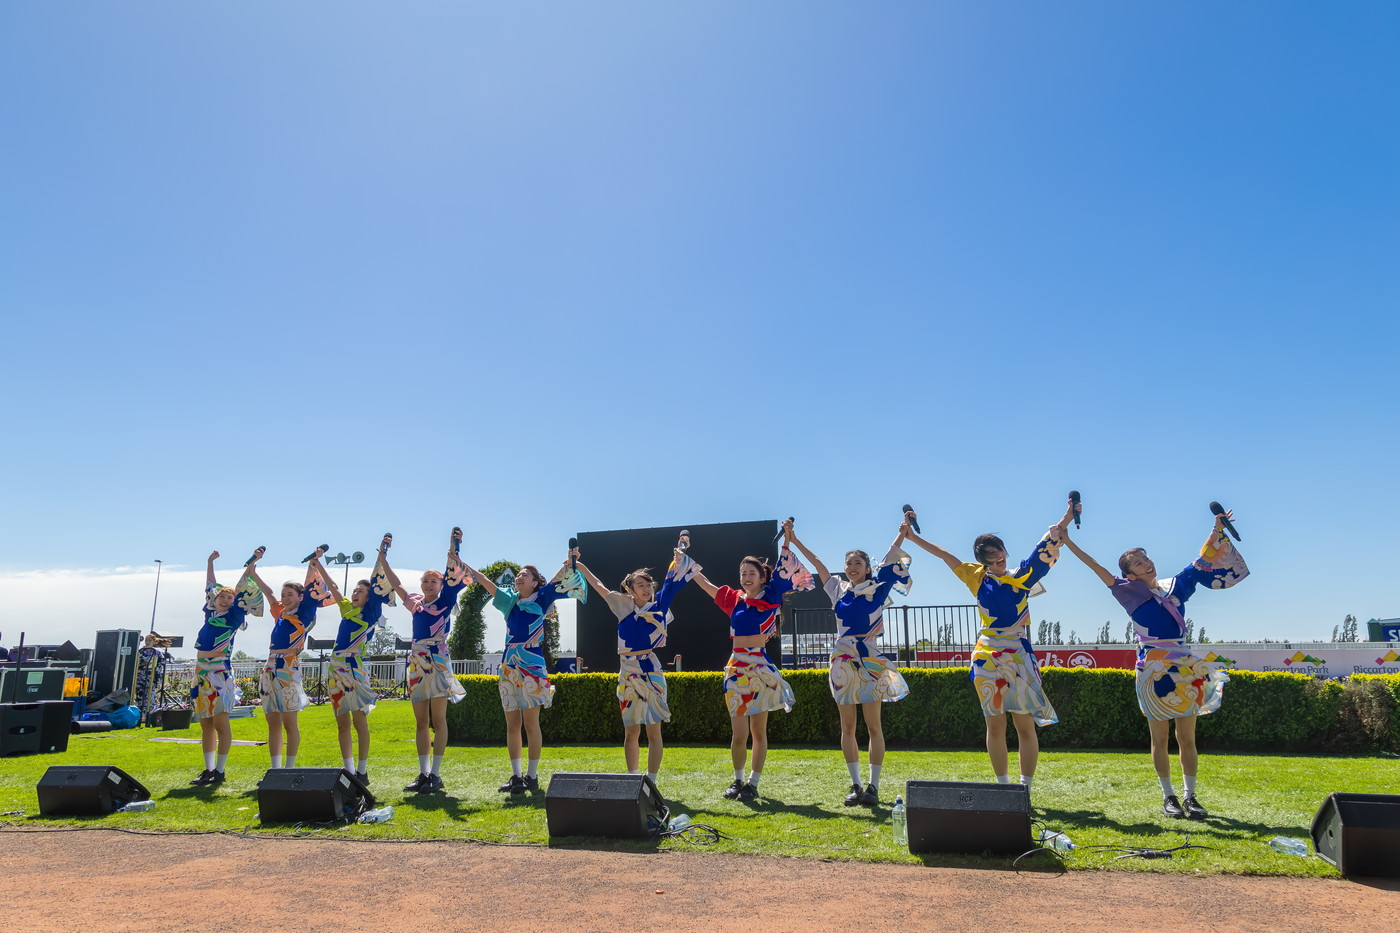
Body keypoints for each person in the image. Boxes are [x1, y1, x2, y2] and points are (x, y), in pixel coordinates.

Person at [1061, 509, 1247, 820]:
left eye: (1145, 558)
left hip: (1184, 666)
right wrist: (1067, 542)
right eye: (1137, 562)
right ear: (1130, 574)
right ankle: (1169, 796)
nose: (1146, 563)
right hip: (1152, 670)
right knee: (1159, 737)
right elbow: (1096, 567)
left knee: (1186, 737)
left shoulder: (1174, 586)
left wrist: (1216, 529)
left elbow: (1201, 560)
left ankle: (1191, 797)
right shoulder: (1127, 592)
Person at [903, 500, 1077, 791]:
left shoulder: (1023, 575)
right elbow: (946, 556)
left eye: (1001, 558)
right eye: (992, 561)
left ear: (1006, 552)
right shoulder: (977, 578)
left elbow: (1048, 541)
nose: (998, 564)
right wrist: (913, 537)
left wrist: (1069, 516)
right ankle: (1003, 787)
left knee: (1025, 725)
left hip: (1019, 653)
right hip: (986, 655)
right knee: (995, 725)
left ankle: (1026, 789)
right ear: (983, 563)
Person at [786, 520, 911, 807]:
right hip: (842, 660)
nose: (852, 567)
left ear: (867, 568)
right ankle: (855, 785)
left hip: (869, 660)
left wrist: (902, 533)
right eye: (848, 563)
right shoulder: (838, 591)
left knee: (874, 726)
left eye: (858, 563)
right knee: (847, 726)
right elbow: (817, 563)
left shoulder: (878, 588)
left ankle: (873, 786)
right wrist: (794, 540)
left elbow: (892, 554)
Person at [691, 519, 813, 802]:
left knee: (758, 731)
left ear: (761, 577)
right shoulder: (734, 600)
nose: (746, 577)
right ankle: (736, 781)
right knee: (738, 733)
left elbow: (784, 567)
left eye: (751, 573)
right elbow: (706, 584)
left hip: (759, 667)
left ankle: (753, 783)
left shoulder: (771, 597)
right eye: (742, 573)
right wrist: (687, 564)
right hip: (736, 668)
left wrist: (789, 540)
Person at [575, 532, 699, 788]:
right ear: (629, 590)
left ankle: (651, 781)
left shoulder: (660, 604)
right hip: (627, 672)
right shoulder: (622, 606)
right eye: (640, 584)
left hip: (651, 670)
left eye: (648, 583)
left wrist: (681, 548)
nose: (646, 587)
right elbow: (597, 585)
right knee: (631, 730)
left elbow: (674, 576)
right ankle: (633, 779)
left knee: (654, 730)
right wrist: (579, 564)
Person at [465, 550, 584, 794]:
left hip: (532, 665)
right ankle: (516, 776)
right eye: (518, 574)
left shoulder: (542, 599)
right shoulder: (509, 602)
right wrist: (465, 566)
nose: (519, 577)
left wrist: (571, 559)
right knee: (512, 724)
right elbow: (487, 583)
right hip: (509, 666)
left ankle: (532, 776)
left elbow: (562, 575)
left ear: (535, 582)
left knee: (531, 724)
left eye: (525, 575)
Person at [390, 529, 470, 794]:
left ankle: (436, 774)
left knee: (439, 719)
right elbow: (397, 586)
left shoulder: (446, 599)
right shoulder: (415, 604)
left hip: (437, 659)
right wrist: (383, 561)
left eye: (433, 581)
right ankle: (423, 773)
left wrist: (453, 547)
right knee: (421, 721)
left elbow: (452, 571)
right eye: (425, 581)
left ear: (440, 584)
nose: (428, 584)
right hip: (417, 660)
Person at [319, 537, 394, 784]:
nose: (354, 593)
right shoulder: (346, 610)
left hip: (354, 668)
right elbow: (333, 586)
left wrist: (382, 552)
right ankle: (349, 770)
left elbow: (376, 580)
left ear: (368, 597)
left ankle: (362, 770)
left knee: (359, 720)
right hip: (335, 668)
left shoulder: (371, 612)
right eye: (354, 590)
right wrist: (317, 563)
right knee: (341, 723)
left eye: (360, 591)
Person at [248, 549, 331, 770]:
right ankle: (275, 770)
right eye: (283, 595)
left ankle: (289, 768)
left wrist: (313, 564)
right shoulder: (280, 613)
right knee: (272, 721)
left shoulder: (304, 613)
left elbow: (309, 584)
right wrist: (253, 572)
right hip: (270, 668)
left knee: (289, 722)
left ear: (300, 597)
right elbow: (267, 593)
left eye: (290, 595)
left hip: (288, 668)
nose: (285, 598)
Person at [189, 548, 263, 786]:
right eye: (222, 596)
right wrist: (209, 561)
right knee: (206, 725)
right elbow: (210, 584)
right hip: (202, 675)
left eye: (230, 598)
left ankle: (220, 771)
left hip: (220, 674)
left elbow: (245, 585)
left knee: (221, 723)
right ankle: (208, 770)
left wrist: (253, 562)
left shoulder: (233, 617)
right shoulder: (210, 614)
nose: (225, 599)